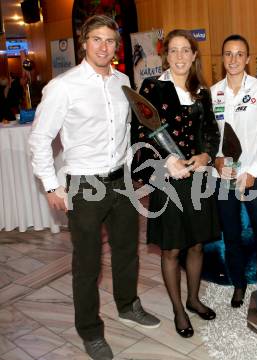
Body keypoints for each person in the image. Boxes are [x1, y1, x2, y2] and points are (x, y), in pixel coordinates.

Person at [29, 15, 160, 360]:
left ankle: (128, 305)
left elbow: (125, 133)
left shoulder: (122, 81)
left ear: (117, 47)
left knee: (127, 251)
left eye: (110, 41)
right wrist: (51, 185)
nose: (104, 47)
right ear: (84, 42)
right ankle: (89, 330)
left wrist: (133, 174)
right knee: (87, 263)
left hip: (122, 182)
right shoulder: (64, 86)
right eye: (97, 40)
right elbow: (40, 139)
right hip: (84, 185)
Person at [132, 29, 220, 338]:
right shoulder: (152, 88)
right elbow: (140, 134)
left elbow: (211, 131)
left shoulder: (202, 92)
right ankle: (178, 309)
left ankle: (194, 299)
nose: (180, 56)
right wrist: (166, 162)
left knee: (196, 244)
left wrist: (206, 155)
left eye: (186, 50)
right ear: (166, 55)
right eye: (174, 50)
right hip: (167, 180)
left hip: (196, 179)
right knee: (171, 249)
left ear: (195, 55)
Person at [211, 35, 257, 307]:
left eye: (240, 54)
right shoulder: (213, 92)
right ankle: (238, 284)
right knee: (232, 235)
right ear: (222, 58)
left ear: (248, 59)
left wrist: (250, 171)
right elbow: (211, 136)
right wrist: (216, 160)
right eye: (228, 54)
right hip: (224, 177)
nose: (234, 59)